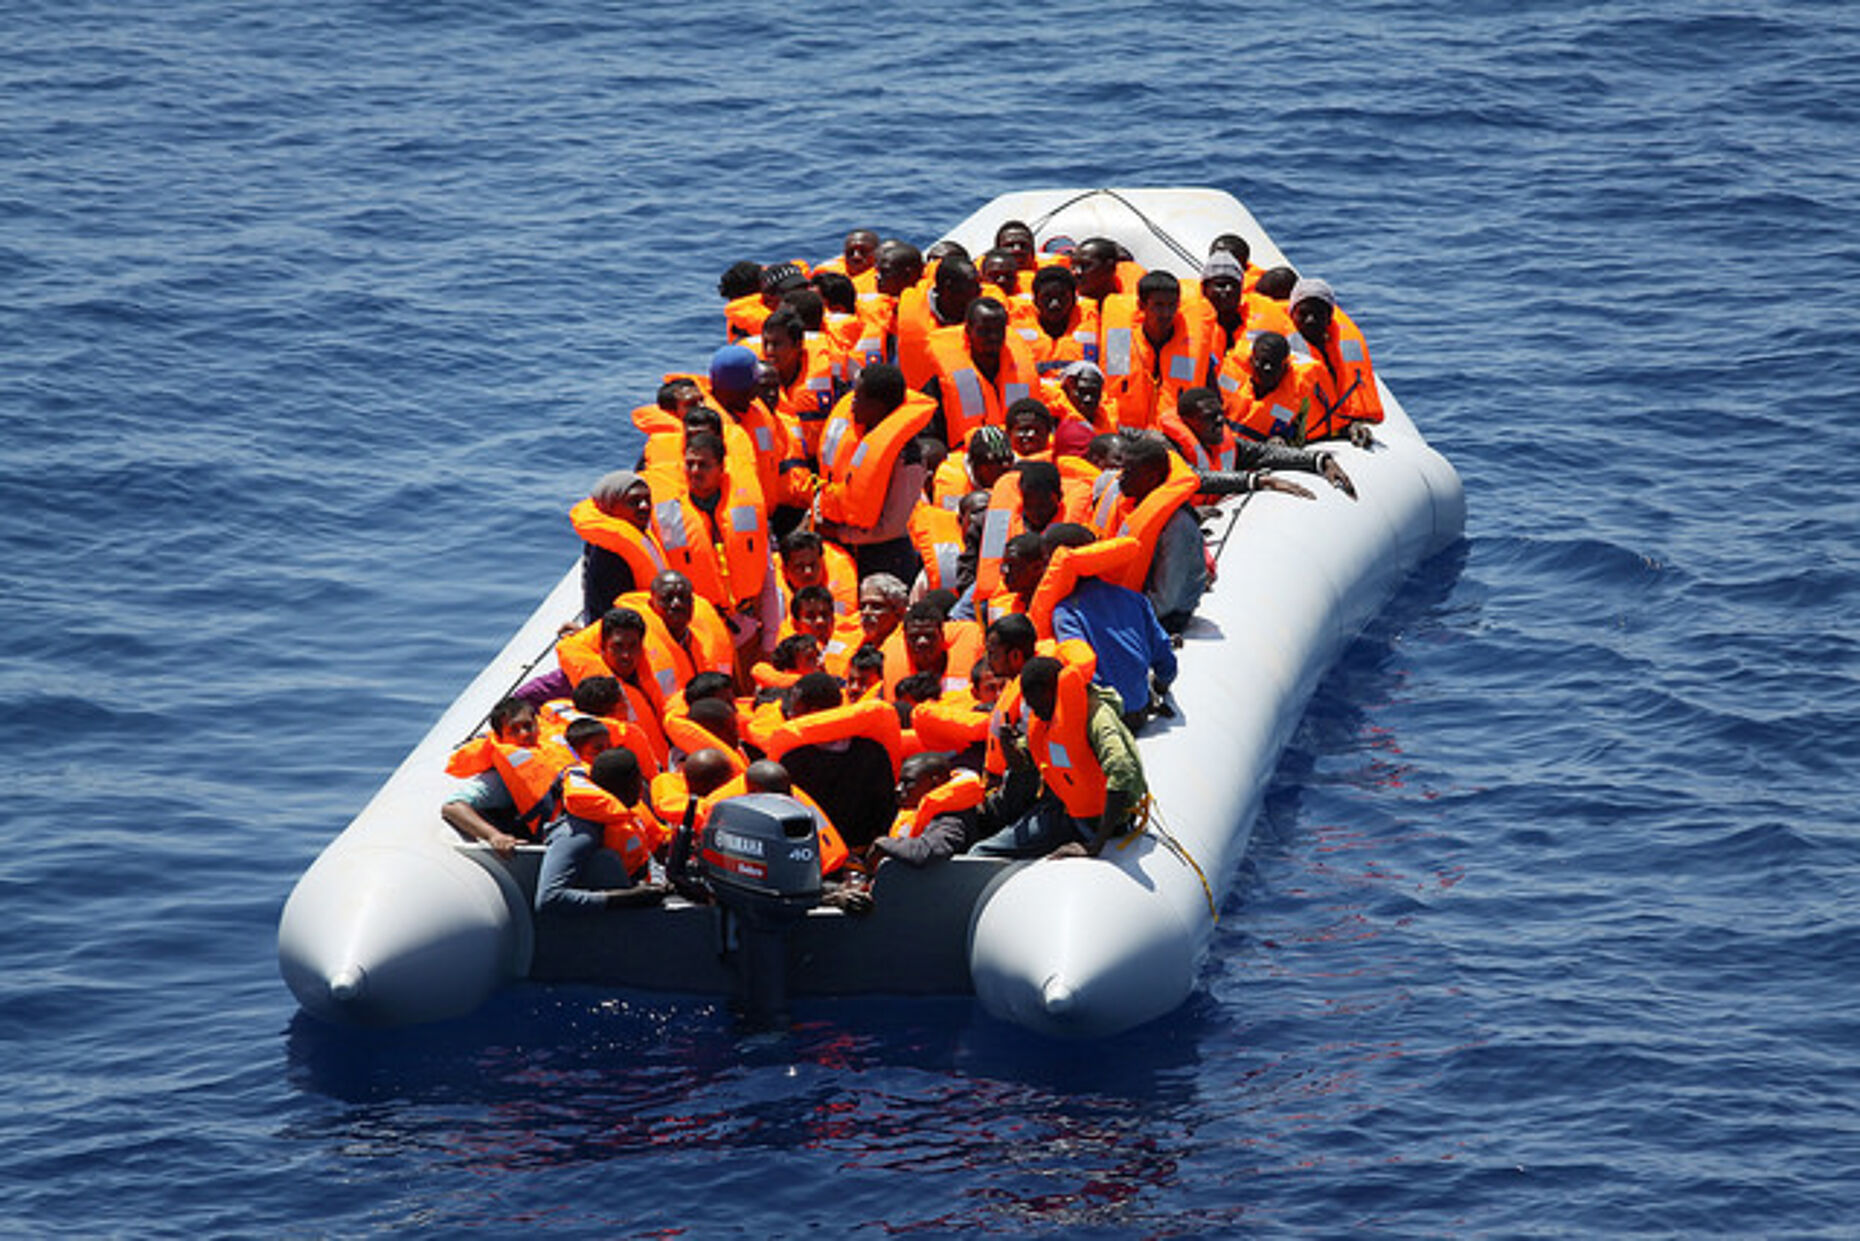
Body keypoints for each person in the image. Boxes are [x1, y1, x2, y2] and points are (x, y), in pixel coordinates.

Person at [969, 655, 1146, 860]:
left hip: (1094, 821)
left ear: (1054, 691)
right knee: (984, 845)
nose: (1036, 712)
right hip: (1064, 809)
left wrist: (1096, 844)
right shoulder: (1047, 716)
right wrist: (1009, 748)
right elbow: (1024, 761)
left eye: (1039, 704)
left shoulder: (1097, 717)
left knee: (981, 853)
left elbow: (1122, 769)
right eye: (1031, 706)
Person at [1039, 523, 1176, 729]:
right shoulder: (1134, 599)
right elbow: (1165, 659)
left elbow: (1081, 671)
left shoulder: (1065, 613)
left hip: (1107, 721)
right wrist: (1160, 686)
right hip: (1139, 709)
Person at [814, 363, 936, 584]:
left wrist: (839, 533)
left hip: (886, 560)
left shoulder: (908, 456)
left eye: (859, 398)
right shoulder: (854, 439)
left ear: (879, 406)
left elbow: (892, 526)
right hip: (845, 550)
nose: (852, 404)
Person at [534, 746, 670, 915]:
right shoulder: (578, 834)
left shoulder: (624, 813)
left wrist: (658, 882)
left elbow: (644, 854)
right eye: (639, 780)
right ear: (632, 784)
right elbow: (549, 898)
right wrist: (627, 898)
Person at [1162, 387, 1353, 498]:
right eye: (1210, 417)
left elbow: (1264, 453)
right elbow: (1197, 479)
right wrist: (1255, 481)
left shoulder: (1222, 441)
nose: (1220, 422)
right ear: (1188, 422)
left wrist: (1318, 460)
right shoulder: (1168, 450)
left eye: (1221, 414)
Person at [924, 297, 1039, 447]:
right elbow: (928, 431)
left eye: (999, 331)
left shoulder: (1022, 367)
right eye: (984, 331)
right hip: (965, 459)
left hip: (1015, 456)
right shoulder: (939, 376)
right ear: (968, 330)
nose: (993, 337)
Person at [1287, 277, 1382, 446]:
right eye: (1304, 313)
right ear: (1292, 313)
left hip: (1335, 431)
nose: (1310, 320)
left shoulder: (1338, 349)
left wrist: (1354, 425)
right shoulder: (1281, 349)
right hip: (1298, 438)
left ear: (1330, 316)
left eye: (1318, 314)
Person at [570, 470, 668, 625]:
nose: (644, 506)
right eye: (634, 501)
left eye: (647, 499)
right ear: (610, 507)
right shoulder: (609, 555)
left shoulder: (638, 535)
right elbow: (611, 614)